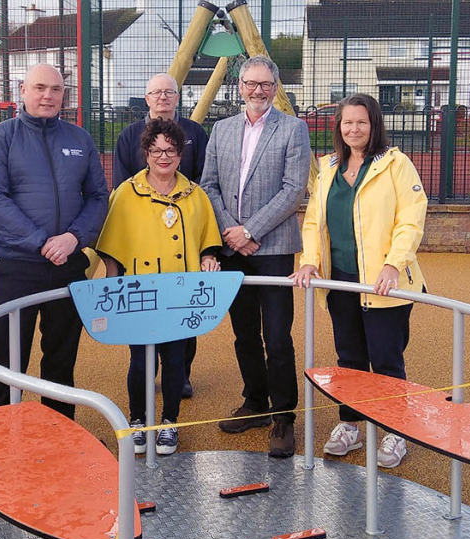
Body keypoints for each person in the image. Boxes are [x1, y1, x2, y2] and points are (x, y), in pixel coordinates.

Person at [290, 93, 428, 469]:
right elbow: (316, 221)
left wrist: (393, 265)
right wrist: (310, 263)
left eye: (361, 122)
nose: (354, 129)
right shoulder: (329, 167)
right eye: (347, 122)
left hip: (384, 282)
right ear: (339, 127)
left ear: (374, 125)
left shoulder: (395, 164)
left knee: (386, 359)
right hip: (341, 281)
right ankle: (350, 425)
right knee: (349, 357)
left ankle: (395, 430)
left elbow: (411, 219)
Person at [0, 63, 108, 418]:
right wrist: (40, 241)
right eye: (39, 88)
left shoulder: (79, 139)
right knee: (6, 358)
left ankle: (61, 432)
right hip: (16, 266)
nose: (47, 95)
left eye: (55, 89)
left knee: (62, 360)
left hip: (67, 265)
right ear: (22, 90)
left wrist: (73, 238)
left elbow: (98, 196)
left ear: (63, 94)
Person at [200, 56, 311, 458]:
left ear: (275, 86)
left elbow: (293, 188)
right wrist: (232, 230)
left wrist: (251, 231)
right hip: (232, 247)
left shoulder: (293, 129)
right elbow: (208, 184)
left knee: (277, 336)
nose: (258, 90)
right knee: (244, 333)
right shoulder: (222, 129)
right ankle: (256, 402)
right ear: (240, 85)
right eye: (251, 83)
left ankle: (283, 416)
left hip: (273, 247)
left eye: (266, 83)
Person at [97, 119, 222, 455]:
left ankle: (169, 423)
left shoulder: (195, 195)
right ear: (146, 154)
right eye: (156, 150)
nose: (163, 157)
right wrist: (111, 285)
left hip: (180, 293)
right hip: (140, 292)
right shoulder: (127, 192)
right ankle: (138, 422)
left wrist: (208, 257)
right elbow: (111, 245)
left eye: (170, 150)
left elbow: (207, 239)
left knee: (175, 360)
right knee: (140, 360)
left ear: (180, 155)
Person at [112, 73, 210, 399]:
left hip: (183, 235)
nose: (163, 97)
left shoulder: (195, 133)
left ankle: (182, 373)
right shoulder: (129, 136)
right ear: (147, 97)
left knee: (184, 311)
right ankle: (145, 375)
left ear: (178, 97)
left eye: (169, 92)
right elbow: (121, 188)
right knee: (143, 313)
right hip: (143, 242)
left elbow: (202, 181)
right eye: (156, 92)